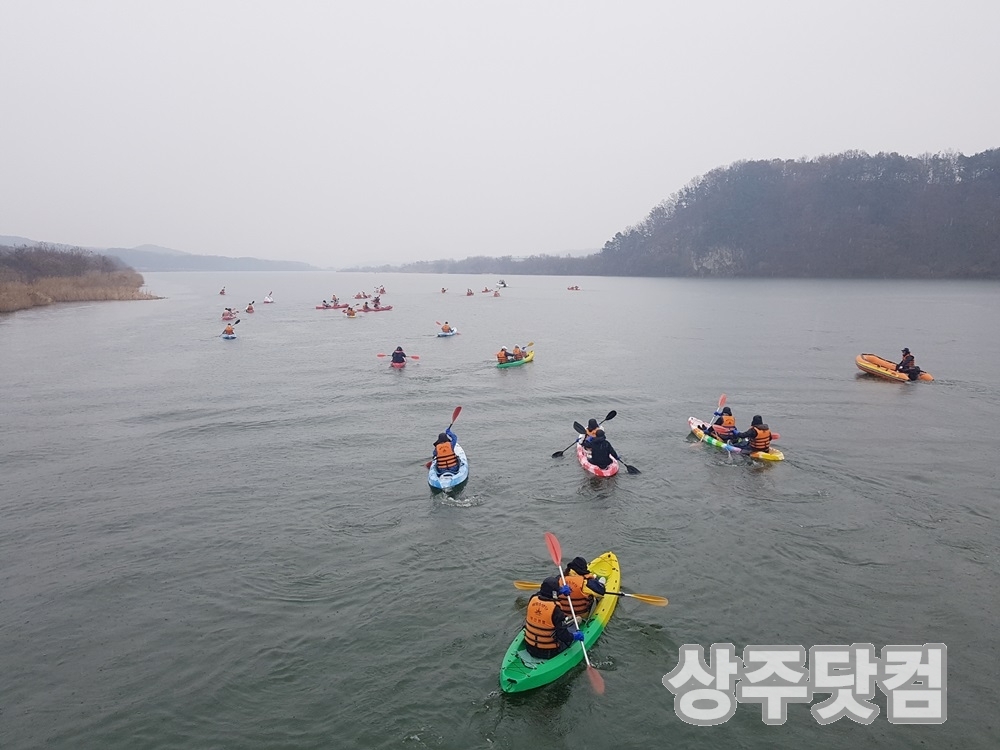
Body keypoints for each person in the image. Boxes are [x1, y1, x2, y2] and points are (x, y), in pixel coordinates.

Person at [523, 576, 585, 659]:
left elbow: (541, 593)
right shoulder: (556, 610)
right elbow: (563, 636)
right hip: (549, 652)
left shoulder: (532, 599)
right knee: (578, 620)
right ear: (554, 593)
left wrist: (559, 591)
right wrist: (574, 636)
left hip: (529, 647)